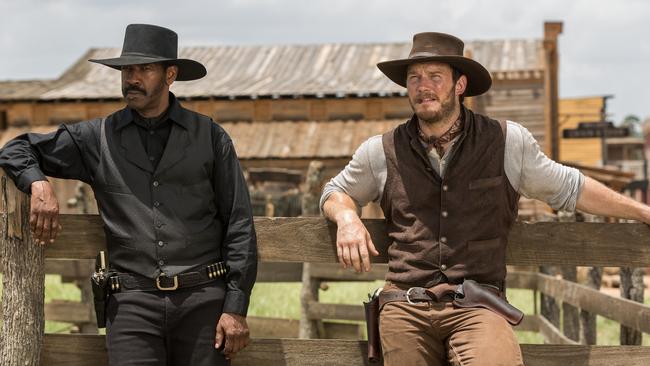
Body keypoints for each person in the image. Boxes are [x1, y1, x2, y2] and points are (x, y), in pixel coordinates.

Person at [320, 32, 650, 366]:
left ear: (459, 85)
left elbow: (570, 187)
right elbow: (335, 191)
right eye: (415, 78)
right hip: (406, 304)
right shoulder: (381, 150)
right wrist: (347, 218)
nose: (423, 87)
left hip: (478, 304)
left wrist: (642, 211)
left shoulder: (506, 142)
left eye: (435, 77)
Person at [0, 24, 257, 366]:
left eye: (143, 69)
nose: (131, 78)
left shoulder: (210, 136)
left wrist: (235, 307)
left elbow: (239, 223)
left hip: (203, 301)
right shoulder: (97, 138)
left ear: (170, 74)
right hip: (132, 304)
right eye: (126, 69)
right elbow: (16, 149)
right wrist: (38, 183)